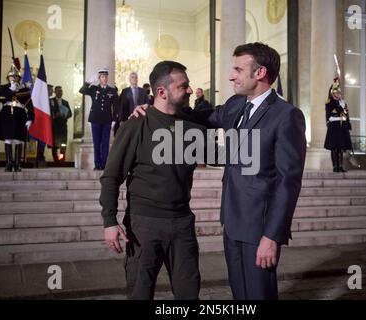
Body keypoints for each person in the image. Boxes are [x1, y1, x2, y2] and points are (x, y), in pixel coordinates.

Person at [133, 42, 307, 300]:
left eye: (238, 69)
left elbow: (288, 182)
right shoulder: (236, 105)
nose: (230, 75)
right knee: (240, 295)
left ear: (260, 73)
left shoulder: (286, 116)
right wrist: (156, 108)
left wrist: (272, 236)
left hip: (259, 228)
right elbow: (199, 118)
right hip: (232, 222)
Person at [100, 61, 204, 300]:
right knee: (140, 294)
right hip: (143, 226)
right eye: (183, 86)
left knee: (189, 295)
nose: (190, 90)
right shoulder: (136, 123)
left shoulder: (192, 126)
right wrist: (109, 221)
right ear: (161, 92)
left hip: (182, 225)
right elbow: (111, 176)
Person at [79, 68, 119, 170]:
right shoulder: (93, 89)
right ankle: (97, 164)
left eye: (105, 76)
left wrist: (114, 120)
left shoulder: (112, 90)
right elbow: (82, 90)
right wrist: (88, 82)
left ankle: (104, 164)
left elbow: (116, 106)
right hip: (95, 119)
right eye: (102, 77)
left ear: (107, 77)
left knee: (105, 143)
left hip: (107, 120)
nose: (104, 78)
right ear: (99, 78)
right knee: (96, 143)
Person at [0, 68, 34, 172]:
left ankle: (17, 164)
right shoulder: (3, 88)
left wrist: (30, 118)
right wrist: (11, 90)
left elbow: (30, 106)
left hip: (20, 115)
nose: (14, 78)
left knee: (18, 139)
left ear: (19, 78)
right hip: (7, 114)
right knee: (8, 139)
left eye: (16, 76)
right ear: (8, 78)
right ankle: (8, 163)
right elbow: (1, 98)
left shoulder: (24, 90)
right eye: (11, 77)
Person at [324, 78, 352, 172]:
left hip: (342, 128)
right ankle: (335, 166)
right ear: (332, 93)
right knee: (334, 148)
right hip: (334, 128)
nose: (338, 94)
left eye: (339, 93)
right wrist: (340, 117)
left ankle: (340, 166)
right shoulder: (330, 103)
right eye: (336, 93)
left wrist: (347, 122)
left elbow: (346, 115)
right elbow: (329, 117)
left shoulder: (343, 103)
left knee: (341, 148)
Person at [50, 86, 72, 162]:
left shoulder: (65, 102)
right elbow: (48, 112)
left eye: (61, 91)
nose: (60, 93)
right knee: (54, 144)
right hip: (54, 126)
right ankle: (55, 160)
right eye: (58, 91)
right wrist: (55, 115)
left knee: (63, 144)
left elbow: (70, 114)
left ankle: (62, 160)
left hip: (63, 127)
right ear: (55, 92)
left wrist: (64, 115)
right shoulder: (51, 101)